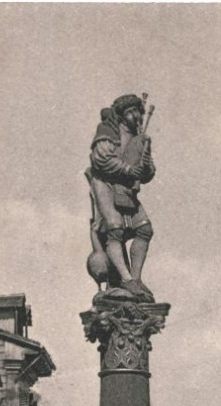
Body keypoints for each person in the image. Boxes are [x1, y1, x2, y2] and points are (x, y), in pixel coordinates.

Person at [86, 93, 155, 299]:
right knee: (114, 229)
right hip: (105, 184)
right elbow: (102, 159)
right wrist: (127, 170)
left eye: (138, 112)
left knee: (144, 229)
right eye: (132, 112)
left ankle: (135, 279)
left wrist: (144, 168)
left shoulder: (137, 138)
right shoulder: (108, 131)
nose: (137, 116)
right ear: (123, 114)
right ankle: (125, 279)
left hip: (127, 189)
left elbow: (148, 170)